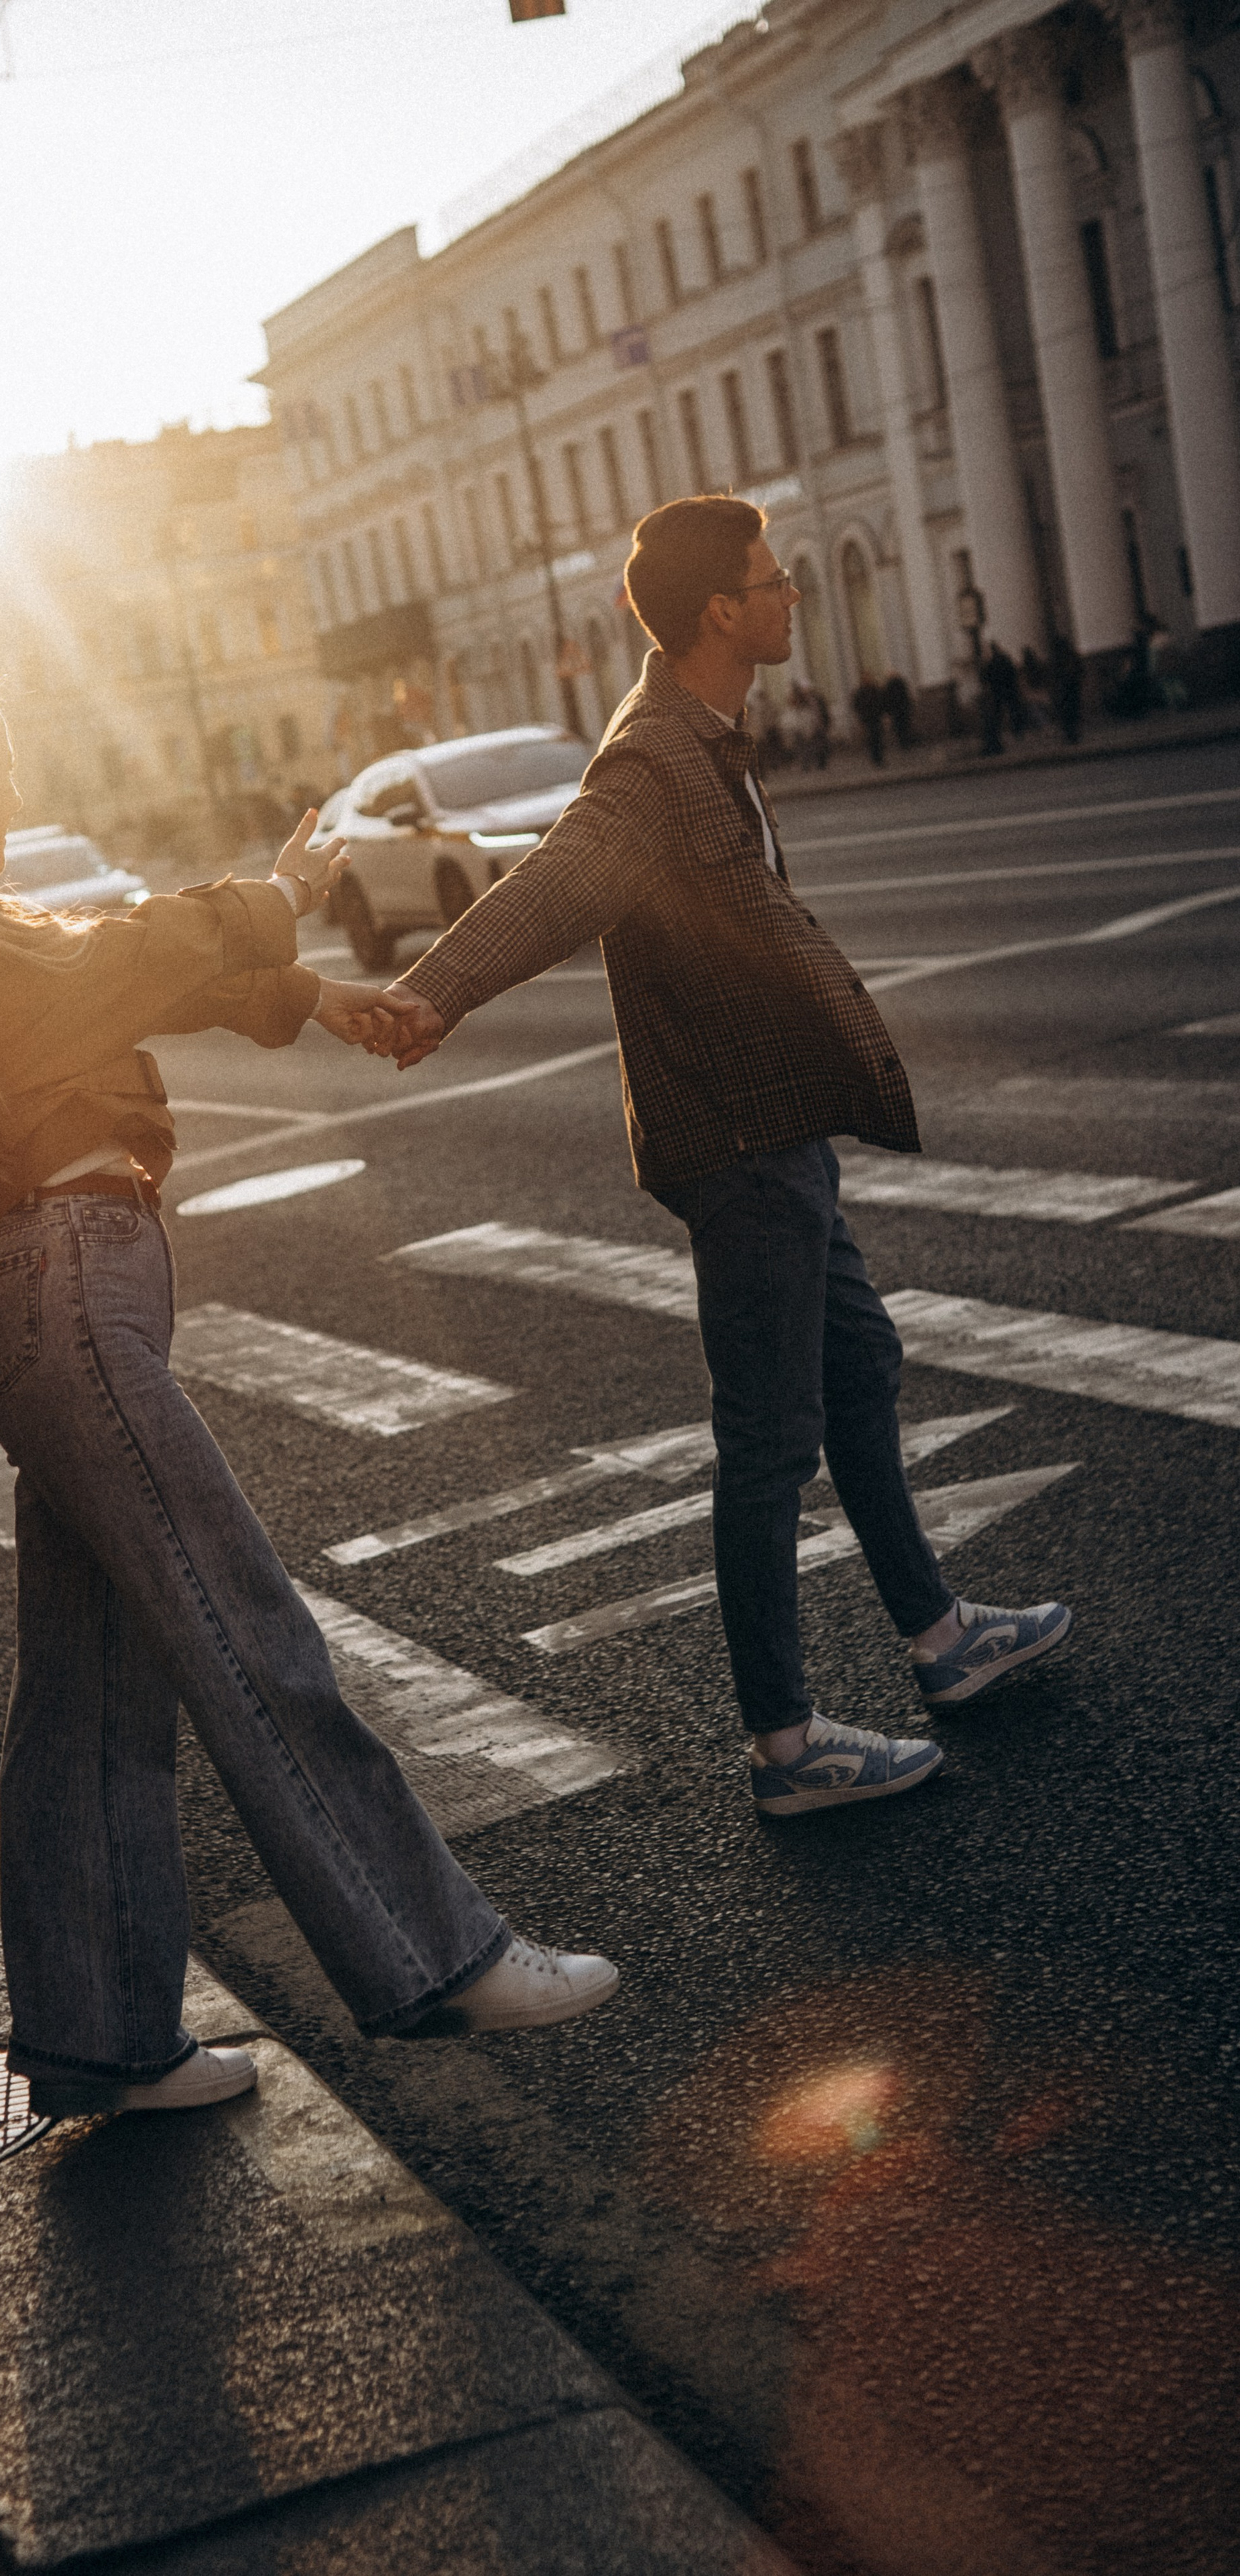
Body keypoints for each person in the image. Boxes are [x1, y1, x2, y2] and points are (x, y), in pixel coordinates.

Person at [0, 661, 617, 2122]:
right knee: (248, 1636)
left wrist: (311, 995)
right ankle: (438, 1954)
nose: (9, 792)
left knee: (90, 1701)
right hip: (75, 1301)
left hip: (53, 1309)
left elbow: (100, 972)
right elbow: (111, 966)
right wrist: (279, 897)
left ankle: (100, 2037)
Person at [377, 498, 1071, 1820]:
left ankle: (937, 1638)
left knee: (858, 1365)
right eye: (770, 580)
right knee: (766, 1438)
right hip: (739, 1140)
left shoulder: (704, 739)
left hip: (774, 1125)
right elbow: (559, 878)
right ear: (718, 613)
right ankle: (784, 1742)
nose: (788, 593)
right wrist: (432, 992)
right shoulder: (650, 767)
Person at [852, 673, 887, 766]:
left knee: (878, 738)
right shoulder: (860, 692)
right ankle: (875, 758)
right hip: (867, 719)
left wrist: (882, 713)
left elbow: (881, 702)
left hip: (876, 717)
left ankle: (880, 758)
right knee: (871, 739)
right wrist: (861, 716)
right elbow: (857, 705)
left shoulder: (875, 689)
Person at [881, 672, 915, 753]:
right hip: (901, 709)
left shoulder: (889, 686)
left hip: (896, 710)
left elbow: (887, 699)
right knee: (904, 726)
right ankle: (905, 742)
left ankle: (903, 742)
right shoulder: (900, 684)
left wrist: (888, 710)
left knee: (900, 727)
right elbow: (906, 696)